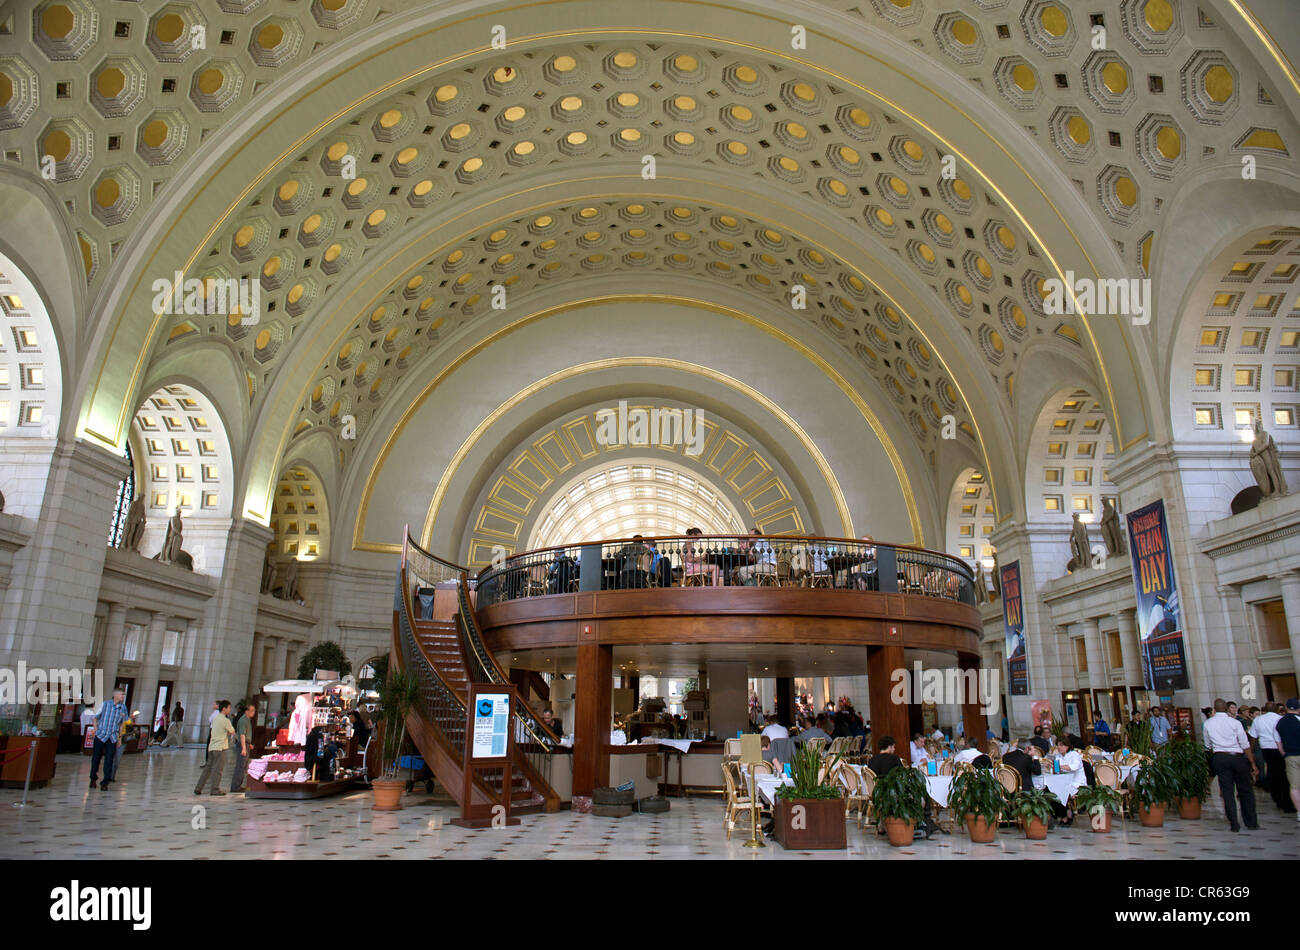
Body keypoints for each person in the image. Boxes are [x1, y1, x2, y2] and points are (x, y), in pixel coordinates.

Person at [1203, 698, 1259, 832]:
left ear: (1214, 709)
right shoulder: (1234, 722)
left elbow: (1207, 745)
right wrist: (1252, 763)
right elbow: (1245, 744)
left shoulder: (1208, 724)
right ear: (1226, 709)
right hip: (1237, 757)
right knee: (1245, 790)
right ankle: (1251, 822)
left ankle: (1234, 823)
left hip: (1220, 757)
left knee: (1227, 791)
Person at [1250, 702, 1293, 812]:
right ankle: (1286, 801)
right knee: (1283, 774)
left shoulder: (1258, 720)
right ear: (1276, 709)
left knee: (1272, 771)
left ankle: (1276, 797)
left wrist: (1251, 751)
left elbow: (1253, 737)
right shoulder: (1280, 719)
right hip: (1279, 748)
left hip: (1266, 749)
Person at [89, 689, 129, 791]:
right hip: (101, 735)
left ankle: (105, 782)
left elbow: (121, 724)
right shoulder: (105, 704)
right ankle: (93, 779)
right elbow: (95, 717)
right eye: (121, 694)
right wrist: (96, 730)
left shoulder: (123, 708)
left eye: (123, 694)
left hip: (112, 737)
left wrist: (119, 738)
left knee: (109, 760)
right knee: (96, 758)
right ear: (115, 695)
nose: (123, 696)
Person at [194, 700, 235, 796]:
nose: (230, 710)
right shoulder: (225, 720)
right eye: (229, 708)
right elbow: (232, 731)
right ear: (224, 709)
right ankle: (215, 789)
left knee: (207, 768)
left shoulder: (215, 718)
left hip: (212, 746)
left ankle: (198, 787)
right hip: (220, 747)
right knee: (218, 769)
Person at [1275, 699, 1300, 822]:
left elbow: (1278, 742)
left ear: (1286, 708)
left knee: (1294, 786)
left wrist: (1284, 754)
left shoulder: (1280, 722)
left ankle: (1299, 812)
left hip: (1290, 756)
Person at [231, 703, 256, 792]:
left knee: (243, 766)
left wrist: (249, 744)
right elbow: (242, 734)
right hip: (242, 745)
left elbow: (246, 735)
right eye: (251, 711)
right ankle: (235, 787)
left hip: (246, 744)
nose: (253, 712)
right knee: (240, 766)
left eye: (254, 711)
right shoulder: (243, 720)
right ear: (246, 711)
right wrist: (244, 748)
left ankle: (238, 785)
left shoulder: (247, 720)